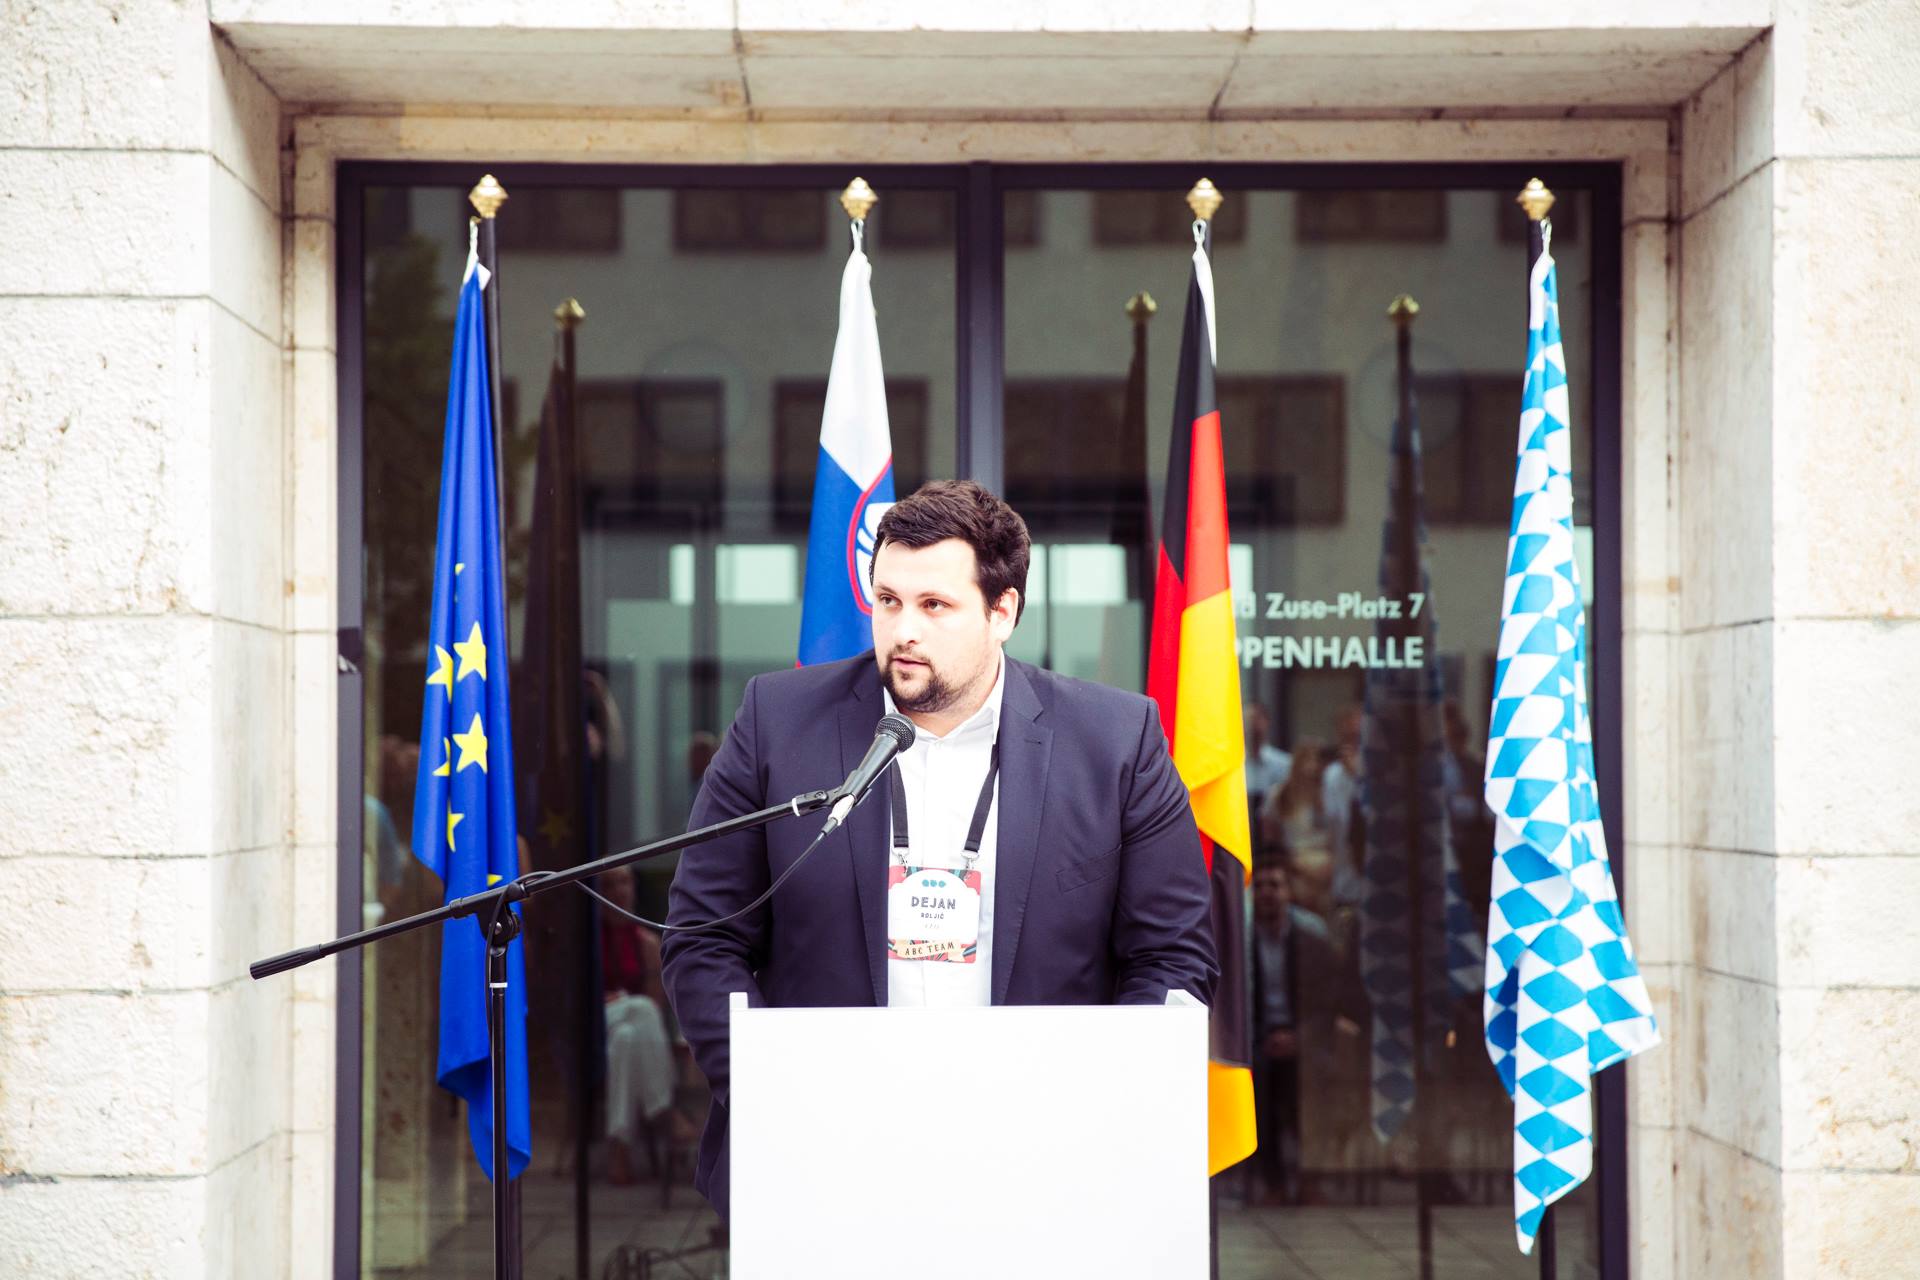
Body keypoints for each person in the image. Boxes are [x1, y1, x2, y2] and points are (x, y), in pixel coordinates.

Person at [662, 480, 1217, 1219]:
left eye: (935, 606)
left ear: (1003, 612)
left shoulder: (1117, 742)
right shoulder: (776, 722)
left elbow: (1172, 957)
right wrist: (777, 1096)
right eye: (889, 601)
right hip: (822, 1160)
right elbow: (703, 939)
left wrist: (1099, 1111)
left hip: (1045, 1164)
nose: (904, 631)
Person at [598, 865, 696, 1185]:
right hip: (595, 1031)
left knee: (626, 1038)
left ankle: (620, 1148)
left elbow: (657, 1002)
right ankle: (664, 1110)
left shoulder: (646, 941)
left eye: (624, 882)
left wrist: (623, 1000)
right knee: (639, 1010)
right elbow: (577, 1002)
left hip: (627, 1032)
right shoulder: (587, 943)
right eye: (609, 884)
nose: (619, 891)